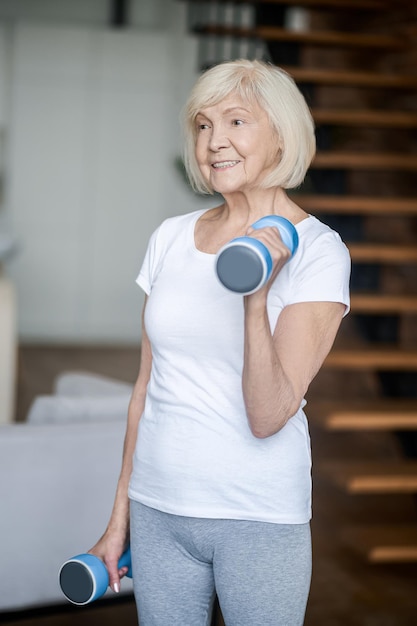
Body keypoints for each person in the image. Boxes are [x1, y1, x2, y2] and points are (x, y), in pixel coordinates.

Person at [89, 59, 351, 625]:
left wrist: (254, 295)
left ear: (281, 135)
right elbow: (145, 391)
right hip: (158, 508)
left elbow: (268, 414)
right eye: (204, 125)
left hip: (255, 514)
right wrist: (120, 518)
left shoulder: (319, 251)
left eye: (236, 122)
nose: (214, 142)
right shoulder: (170, 238)